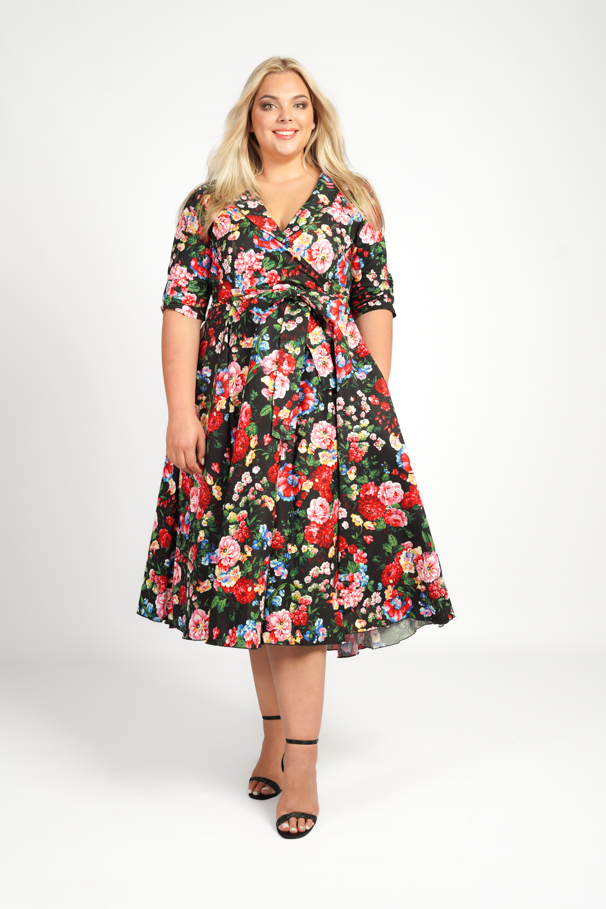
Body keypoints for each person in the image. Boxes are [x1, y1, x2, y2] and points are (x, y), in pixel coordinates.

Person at [138, 56, 455, 839]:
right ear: (249, 118)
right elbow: (182, 307)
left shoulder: (351, 199)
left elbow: (374, 299)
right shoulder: (210, 204)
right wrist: (181, 411)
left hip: (328, 418)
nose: (286, 117)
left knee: (306, 592)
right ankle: (275, 738)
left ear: (317, 118)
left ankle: (303, 764)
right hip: (237, 419)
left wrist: (370, 399)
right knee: (256, 583)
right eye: (270, 105)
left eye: (299, 105)